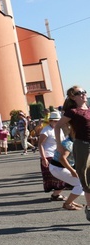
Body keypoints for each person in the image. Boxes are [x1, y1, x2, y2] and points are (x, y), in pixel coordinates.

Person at [55, 85, 90, 221]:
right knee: (87, 178)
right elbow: (58, 126)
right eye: (79, 93)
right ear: (72, 97)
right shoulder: (73, 112)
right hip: (83, 146)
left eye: (84, 91)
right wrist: (59, 144)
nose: (83, 94)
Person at [48, 133, 84, 211]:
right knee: (81, 184)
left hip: (59, 167)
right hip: (58, 168)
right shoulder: (68, 143)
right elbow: (62, 159)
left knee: (80, 182)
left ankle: (70, 201)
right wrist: (72, 171)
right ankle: (67, 204)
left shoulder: (72, 141)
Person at [38, 111, 68, 202]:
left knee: (62, 176)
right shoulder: (46, 130)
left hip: (58, 156)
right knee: (58, 177)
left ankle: (56, 194)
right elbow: (40, 144)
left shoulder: (60, 130)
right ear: (50, 121)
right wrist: (44, 158)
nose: (56, 122)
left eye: (58, 121)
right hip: (49, 155)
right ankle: (56, 195)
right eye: (54, 121)